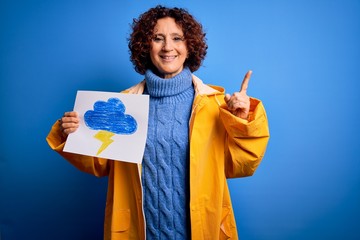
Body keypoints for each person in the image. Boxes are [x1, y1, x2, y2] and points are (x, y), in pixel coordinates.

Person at [46, 5, 269, 240]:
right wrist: (71, 133)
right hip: (140, 232)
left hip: (202, 231)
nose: (168, 47)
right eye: (157, 38)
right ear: (145, 46)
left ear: (189, 46)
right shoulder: (122, 105)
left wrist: (242, 120)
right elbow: (100, 164)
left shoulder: (215, 105)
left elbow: (241, 165)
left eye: (177, 38)